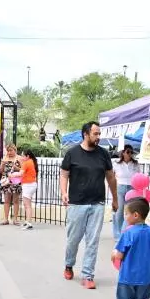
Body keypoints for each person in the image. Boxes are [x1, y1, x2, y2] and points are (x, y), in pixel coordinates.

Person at [60, 121, 118, 289]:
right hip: (76, 203)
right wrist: (64, 192)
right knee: (74, 239)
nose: (99, 137)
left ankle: (88, 275)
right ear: (86, 134)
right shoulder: (72, 153)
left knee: (93, 241)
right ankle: (69, 264)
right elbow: (64, 175)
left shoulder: (103, 154)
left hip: (97, 203)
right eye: (96, 134)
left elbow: (110, 178)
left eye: (99, 134)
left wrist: (115, 198)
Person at [112, 144, 140, 242]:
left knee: (130, 211)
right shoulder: (117, 164)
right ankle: (118, 235)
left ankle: (126, 233)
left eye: (131, 152)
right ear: (123, 153)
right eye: (128, 152)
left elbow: (138, 177)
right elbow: (112, 177)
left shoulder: (135, 164)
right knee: (119, 212)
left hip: (131, 188)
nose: (129, 154)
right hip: (120, 187)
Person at [12, 149, 38, 230]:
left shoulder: (26, 163)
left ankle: (29, 223)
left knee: (27, 205)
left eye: (23, 155)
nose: (22, 157)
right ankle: (27, 222)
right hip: (31, 184)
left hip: (28, 185)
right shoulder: (31, 162)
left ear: (27, 156)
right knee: (27, 205)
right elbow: (24, 171)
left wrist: (12, 175)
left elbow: (20, 173)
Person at [0, 144, 22, 225]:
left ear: (15, 150)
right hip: (6, 181)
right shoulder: (5, 158)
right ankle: (6, 219)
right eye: (8, 151)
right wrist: (2, 164)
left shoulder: (19, 158)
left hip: (15, 181)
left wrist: (17, 168)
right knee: (6, 200)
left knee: (16, 200)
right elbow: (1, 171)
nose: (9, 152)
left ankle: (15, 219)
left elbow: (23, 170)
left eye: (11, 150)